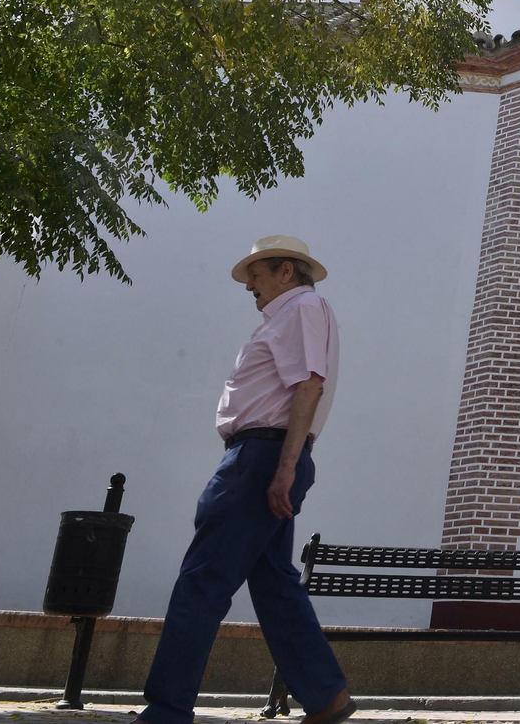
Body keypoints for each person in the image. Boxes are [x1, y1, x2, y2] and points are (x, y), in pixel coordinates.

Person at [136, 235, 353, 724]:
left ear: (286, 272)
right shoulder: (293, 315)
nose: (248, 285)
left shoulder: (303, 308)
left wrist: (285, 466)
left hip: (260, 458)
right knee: (274, 584)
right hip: (267, 455)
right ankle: (325, 696)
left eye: (256, 273)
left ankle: (166, 712)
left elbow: (309, 385)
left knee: (202, 581)